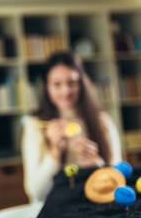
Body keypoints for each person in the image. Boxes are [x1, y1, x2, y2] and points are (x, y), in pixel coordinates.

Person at [21, 50, 123, 203]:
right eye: (57, 84)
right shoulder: (35, 126)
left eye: (72, 83)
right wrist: (54, 154)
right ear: (46, 87)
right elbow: (36, 192)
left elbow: (118, 183)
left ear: (82, 84)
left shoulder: (103, 121)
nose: (66, 91)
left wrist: (97, 167)